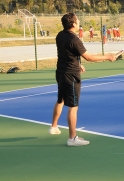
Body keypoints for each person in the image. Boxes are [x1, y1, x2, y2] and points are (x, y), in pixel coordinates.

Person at [49, 13, 116, 146]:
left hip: (61, 72)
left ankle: (54, 126)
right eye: (77, 20)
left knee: (61, 100)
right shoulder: (74, 40)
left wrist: (78, 64)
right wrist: (108, 57)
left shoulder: (60, 35)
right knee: (73, 107)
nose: (79, 21)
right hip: (71, 75)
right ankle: (72, 138)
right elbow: (89, 57)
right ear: (73, 24)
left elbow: (67, 54)